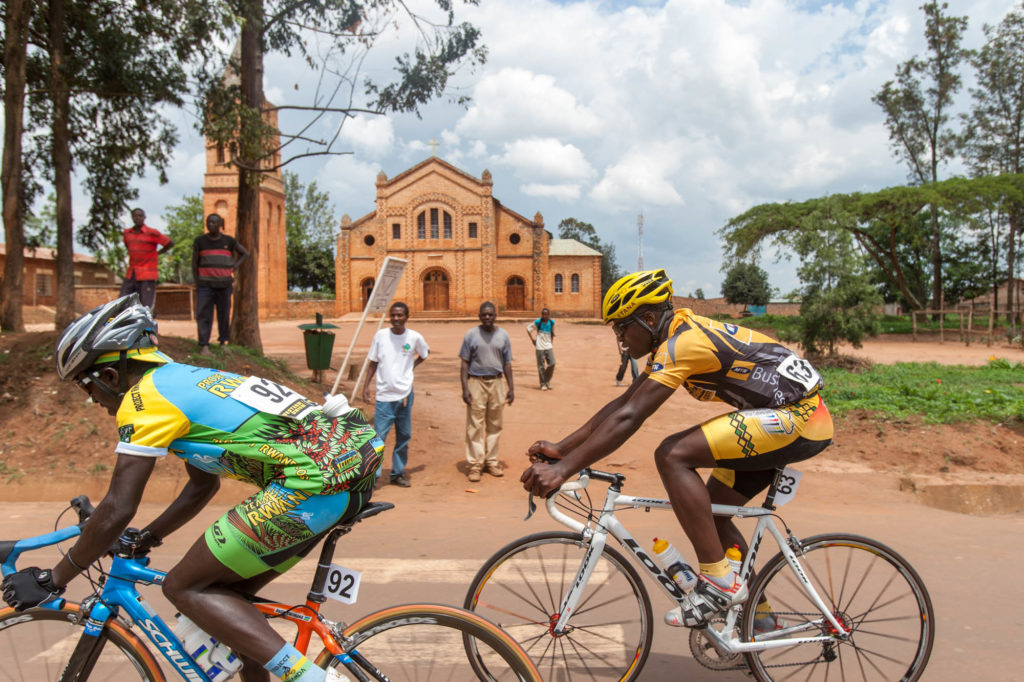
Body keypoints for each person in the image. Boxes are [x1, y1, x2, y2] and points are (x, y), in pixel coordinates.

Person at [1, 294, 379, 682]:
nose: (91, 400)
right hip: (346, 465)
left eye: (87, 387)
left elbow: (117, 507)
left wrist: (54, 580)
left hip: (313, 480)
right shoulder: (178, 379)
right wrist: (148, 537)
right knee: (229, 611)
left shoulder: (145, 400)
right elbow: (201, 486)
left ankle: (317, 680)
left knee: (184, 588)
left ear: (109, 376)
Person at [520, 269, 833, 630]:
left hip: (799, 418)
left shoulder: (684, 342)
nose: (619, 339)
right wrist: (563, 449)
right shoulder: (674, 336)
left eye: (622, 328)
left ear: (649, 319)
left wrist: (564, 469)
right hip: (788, 418)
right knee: (713, 515)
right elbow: (624, 402)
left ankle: (718, 581)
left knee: (672, 454)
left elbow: (630, 417)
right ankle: (759, 621)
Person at [361, 301, 429, 488]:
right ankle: (372, 477)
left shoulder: (414, 338)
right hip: (384, 397)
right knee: (378, 438)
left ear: (407, 317)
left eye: (400, 315)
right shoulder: (381, 336)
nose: (396, 319)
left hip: (405, 395)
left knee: (404, 435)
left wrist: (411, 367)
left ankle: (397, 473)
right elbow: (373, 362)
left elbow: (424, 353)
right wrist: (366, 386)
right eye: (394, 315)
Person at [459, 301, 515, 482]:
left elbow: (507, 363)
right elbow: (464, 363)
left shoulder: (503, 336)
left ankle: (491, 461)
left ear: (495, 315)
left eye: (490, 314)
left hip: (497, 382)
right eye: (484, 315)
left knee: (495, 424)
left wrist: (511, 387)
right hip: (476, 382)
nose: (487, 318)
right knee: (474, 424)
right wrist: (465, 388)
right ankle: (475, 464)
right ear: (479, 316)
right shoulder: (471, 335)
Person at [192, 213, 249, 356]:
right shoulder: (200, 241)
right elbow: (194, 263)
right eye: (208, 222)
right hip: (205, 285)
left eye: (214, 222)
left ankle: (224, 343)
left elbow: (245, 253)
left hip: (224, 284)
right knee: (204, 315)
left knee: (224, 314)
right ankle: (204, 345)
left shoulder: (229, 241)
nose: (211, 224)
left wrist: (234, 267)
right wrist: (197, 281)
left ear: (220, 224)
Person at [120, 207, 173, 311]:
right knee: (122, 302)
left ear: (144, 217)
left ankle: (146, 326)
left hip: (147, 274)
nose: (138, 218)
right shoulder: (127, 233)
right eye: (135, 216)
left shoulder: (152, 233)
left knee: (146, 307)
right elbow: (129, 247)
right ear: (132, 217)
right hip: (131, 273)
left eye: (140, 216)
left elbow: (169, 243)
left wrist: (157, 253)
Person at [526, 307, 556, 390]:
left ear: (549, 315)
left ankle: (547, 380)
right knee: (541, 366)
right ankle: (543, 383)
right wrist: (532, 340)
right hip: (539, 347)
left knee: (552, 363)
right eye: (543, 314)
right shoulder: (538, 322)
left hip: (548, 346)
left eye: (546, 314)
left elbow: (552, 333)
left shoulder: (552, 322)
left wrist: (551, 343)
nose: (544, 316)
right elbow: (528, 329)